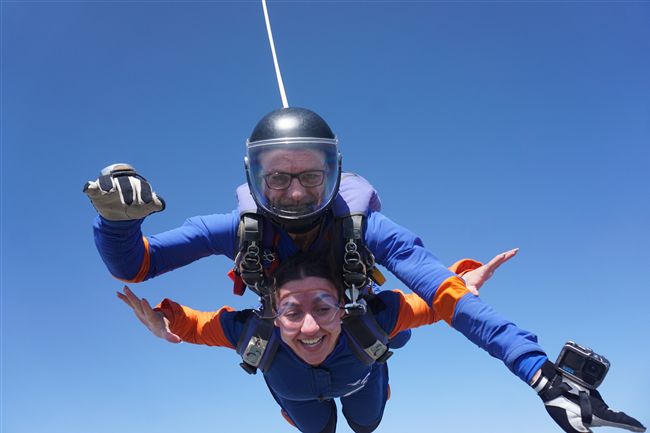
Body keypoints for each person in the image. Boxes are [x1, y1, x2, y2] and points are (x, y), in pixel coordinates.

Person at [117, 252, 646, 433]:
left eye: (323, 308)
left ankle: (384, 370)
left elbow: (439, 303)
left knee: (366, 423)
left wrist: (462, 283)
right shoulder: (248, 330)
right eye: (291, 312)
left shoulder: (370, 318)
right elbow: (194, 324)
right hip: (301, 399)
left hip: (361, 376)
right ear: (272, 314)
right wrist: (164, 323)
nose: (308, 327)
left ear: (343, 306)